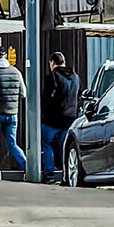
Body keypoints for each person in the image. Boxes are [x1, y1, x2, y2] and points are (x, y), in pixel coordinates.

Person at [0, 44, 27, 180]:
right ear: (5, 56)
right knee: (12, 144)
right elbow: (23, 93)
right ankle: (27, 166)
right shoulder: (16, 71)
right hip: (12, 114)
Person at [40, 51, 80, 183]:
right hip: (70, 119)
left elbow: (45, 98)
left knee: (47, 145)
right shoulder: (75, 77)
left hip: (51, 119)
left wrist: (44, 113)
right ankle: (66, 176)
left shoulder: (51, 77)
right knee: (66, 147)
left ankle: (49, 175)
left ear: (52, 63)